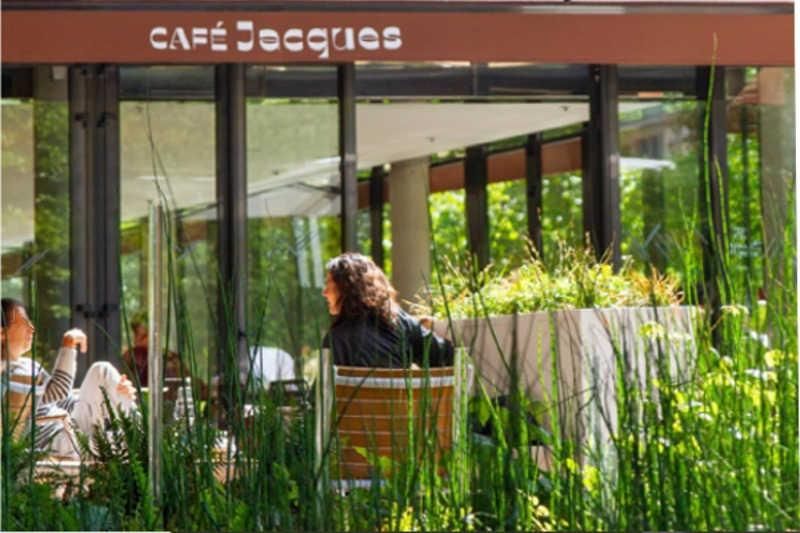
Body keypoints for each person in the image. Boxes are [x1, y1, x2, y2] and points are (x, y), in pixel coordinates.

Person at [1, 298, 136, 457]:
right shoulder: (7, 374)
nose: (32, 328)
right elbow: (59, 390)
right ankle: (137, 441)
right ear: (2, 333)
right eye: (24, 322)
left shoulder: (27, 364)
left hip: (69, 426)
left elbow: (62, 401)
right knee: (125, 445)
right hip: (56, 442)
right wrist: (68, 346)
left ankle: (135, 431)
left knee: (102, 371)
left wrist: (112, 393)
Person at [321, 253, 454, 368]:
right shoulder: (401, 324)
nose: (324, 292)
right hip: (400, 398)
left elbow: (321, 394)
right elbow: (449, 357)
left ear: (346, 287)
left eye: (328, 283)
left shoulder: (335, 339)